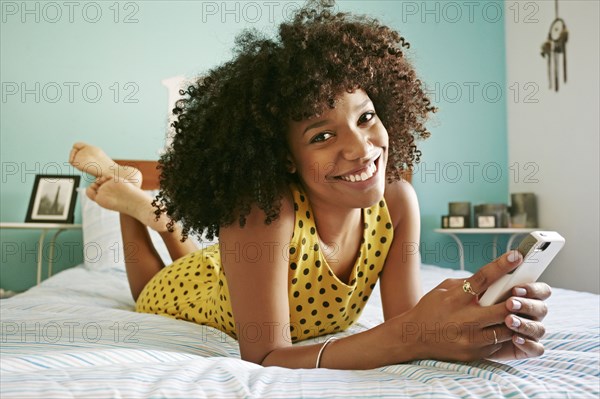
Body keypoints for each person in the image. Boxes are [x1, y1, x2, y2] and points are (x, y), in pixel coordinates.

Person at [68, 1, 550, 370]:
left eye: (366, 118)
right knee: (153, 283)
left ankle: (153, 210)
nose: (361, 148)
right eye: (322, 135)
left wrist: (469, 304)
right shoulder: (262, 213)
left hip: (233, 265)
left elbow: (405, 323)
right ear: (284, 157)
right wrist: (416, 336)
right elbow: (266, 357)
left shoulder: (398, 201)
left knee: (199, 253)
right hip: (198, 288)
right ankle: (127, 200)